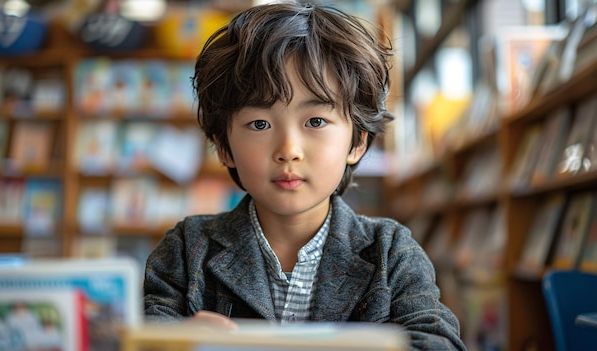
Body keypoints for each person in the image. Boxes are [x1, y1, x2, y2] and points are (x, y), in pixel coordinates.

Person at [143, 2, 466, 350]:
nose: (288, 149)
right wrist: (181, 342)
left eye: (315, 121)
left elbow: (438, 342)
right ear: (224, 147)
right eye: (259, 124)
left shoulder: (391, 253)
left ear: (357, 142)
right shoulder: (185, 250)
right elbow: (142, 336)